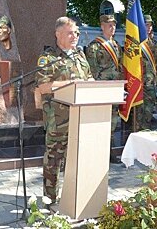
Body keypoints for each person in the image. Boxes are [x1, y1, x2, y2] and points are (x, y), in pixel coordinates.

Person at [35, 16, 93, 204]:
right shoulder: (48, 58)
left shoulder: (80, 56)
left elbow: (89, 78)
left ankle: (72, 197)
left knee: (75, 159)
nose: (75, 36)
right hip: (57, 120)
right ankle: (49, 200)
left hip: (80, 118)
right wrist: (70, 83)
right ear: (58, 34)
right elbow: (43, 87)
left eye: (76, 32)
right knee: (54, 160)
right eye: (70, 32)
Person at [85, 14, 123, 162]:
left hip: (114, 88)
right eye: (109, 25)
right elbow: (92, 71)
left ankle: (110, 152)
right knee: (100, 121)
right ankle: (98, 151)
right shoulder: (94, 46)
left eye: (114, 25)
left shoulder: (117, 46)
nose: (112, 27)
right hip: (102, 89)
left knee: (113, 121)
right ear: (102, 26)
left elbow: (119, 67)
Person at [132, 14, 157, 130]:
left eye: (150, 25)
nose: (148, 27)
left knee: (148, 112)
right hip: (137, 82)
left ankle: (145, 133)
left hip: (150, 84)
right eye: (146, 24)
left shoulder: (154, 45)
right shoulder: (135, 43)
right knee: (137, 113)